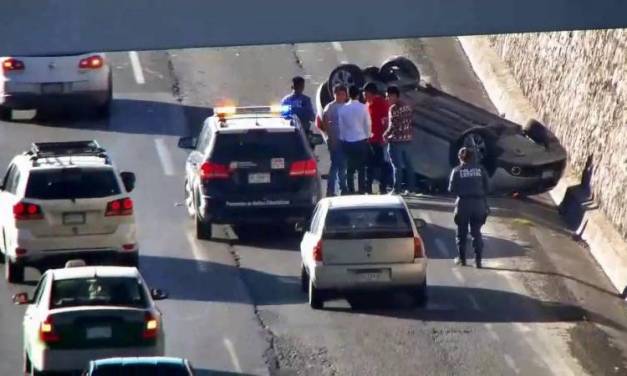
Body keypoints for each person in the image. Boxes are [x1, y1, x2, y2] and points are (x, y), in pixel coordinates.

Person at [448, 147, 490, 268]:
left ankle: (462, 259)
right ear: (473, 157)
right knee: (476, 233)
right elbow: (488, 187)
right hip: (479, 204)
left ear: (460, 158)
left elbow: (451, 189)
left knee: (461, 233)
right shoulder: (481, 170)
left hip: (463, 204)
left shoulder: (456, 171)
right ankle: (478, 261)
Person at [338, 85, 371, 194]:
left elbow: (341, 128)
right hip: (361, 140)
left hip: (348, 141)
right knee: (362, 168)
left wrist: (342, 139)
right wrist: (368, 136)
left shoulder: (342, 109)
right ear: (358, 95)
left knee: (350, 168)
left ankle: (351, 190)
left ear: (348, 94)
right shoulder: (364, 107)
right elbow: (367, 124)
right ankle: (361, 189)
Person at [383, 86, 416, 194]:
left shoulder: (393, 108)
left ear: (394, 95)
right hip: (407, 139)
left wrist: (385, 135)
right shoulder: (407, 106)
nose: (387, 98)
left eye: (388, 96)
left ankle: (397, 189)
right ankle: (411, 188)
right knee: (409, 165)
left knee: (397, 166)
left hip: (396, 141)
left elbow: (394, 125)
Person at [363, 82, 392, 194]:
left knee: (381, 165)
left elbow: (386, 121)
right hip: (370, 139)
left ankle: (382, 187)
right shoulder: (368, 104)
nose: (364, 95)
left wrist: (385, 137)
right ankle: (369, 187)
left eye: (365, 93)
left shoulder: (380, 103)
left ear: (371, 93)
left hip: (380, 140)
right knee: (370, 165)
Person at [320, 84, 348, 196]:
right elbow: (325, 123)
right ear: (334, 94)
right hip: (335, 140)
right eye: (339, 94)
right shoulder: (330, 107)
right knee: (335, 165)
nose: (341, 96)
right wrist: (330, 139)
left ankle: (343, 188)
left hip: (345, 140)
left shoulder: (347, 106)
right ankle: (331, 190)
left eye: (343, 94)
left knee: (343, 166)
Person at [282, 76, 316, 146]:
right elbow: (312, 117)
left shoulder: (286, 100)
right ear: (302, 86)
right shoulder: (306, 100)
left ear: (292, 86)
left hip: (288, 133)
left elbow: (284, 116)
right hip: (303, 132)